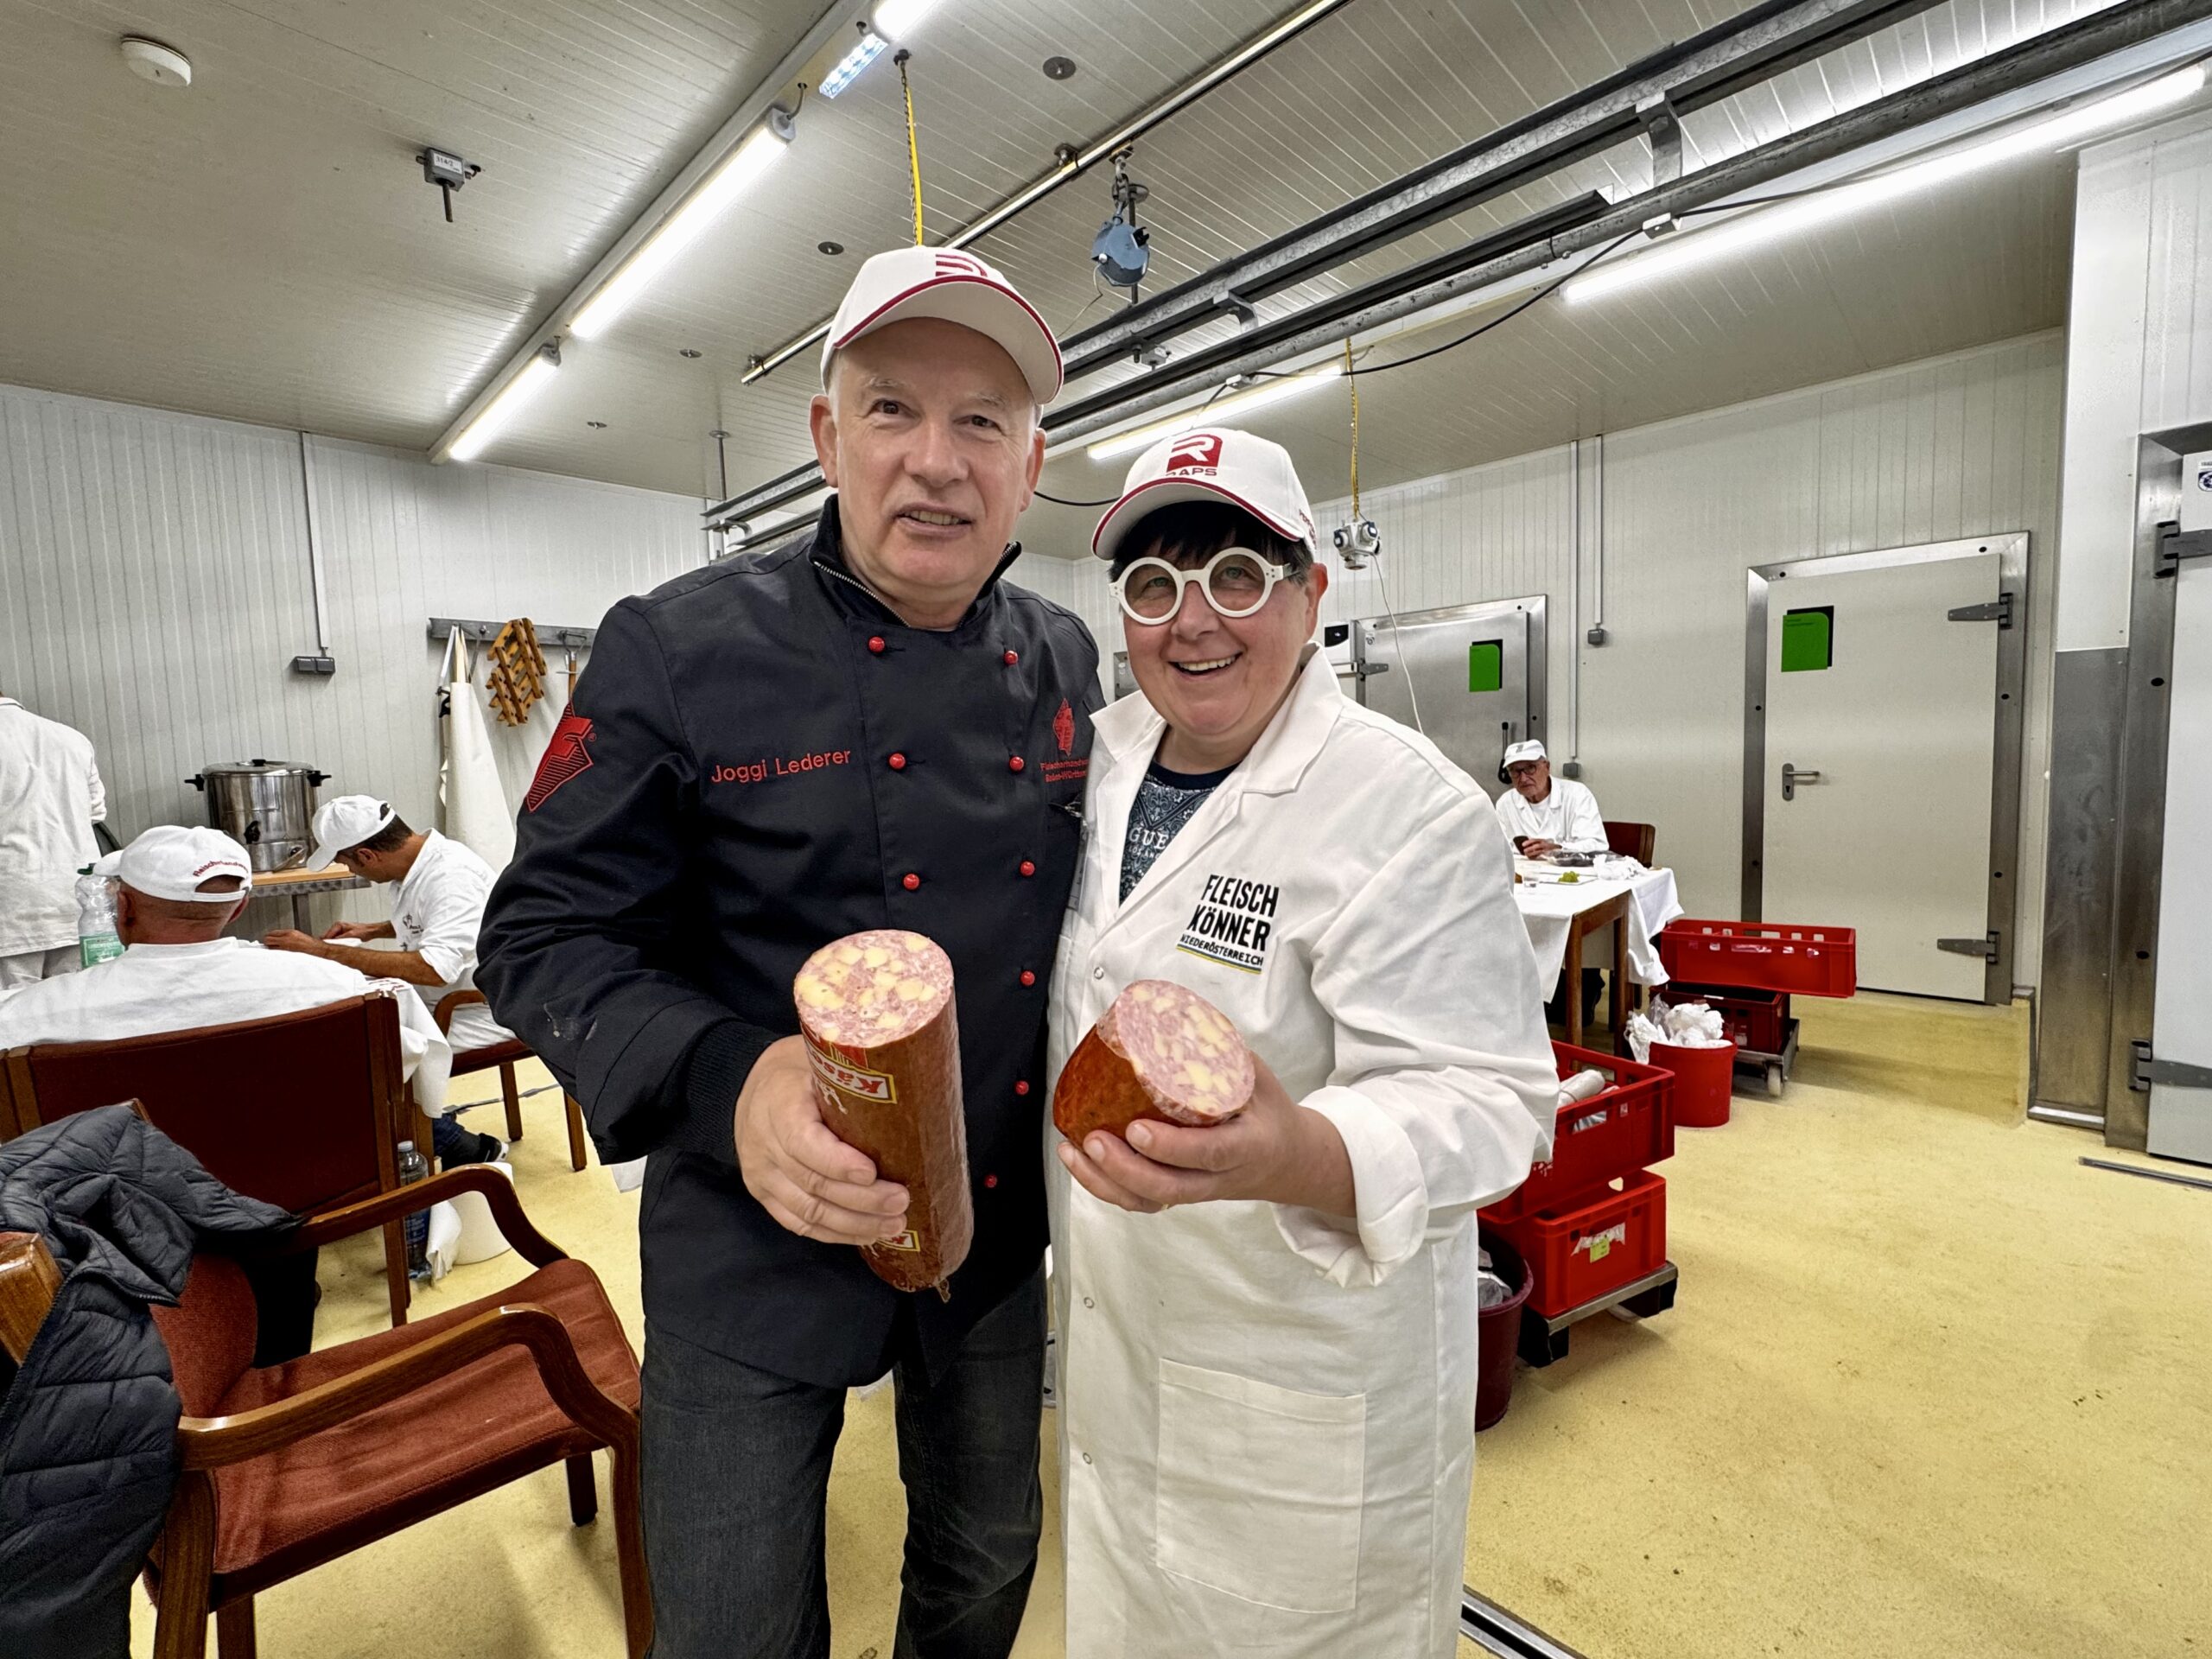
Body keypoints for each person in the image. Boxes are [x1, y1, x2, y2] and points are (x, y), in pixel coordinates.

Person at [475, 245, 1099, 1659]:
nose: (935, 463)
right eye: (891, 410)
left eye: (981, 423)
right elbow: (539, 932)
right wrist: (729, 1084)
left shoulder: (1065, 657)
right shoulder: (679, 651)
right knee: (734, 1623)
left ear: (1030, 464)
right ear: (825, 435)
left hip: (991, 1221)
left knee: (988, 1553)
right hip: (750, 1236)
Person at [1046, 427, 1557, 1658]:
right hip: (1121, 1348)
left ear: (1311, 591)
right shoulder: (1095, 766)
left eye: (1237, 574)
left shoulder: (1402, 805)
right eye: (1153, 587)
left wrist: (1296, 1153)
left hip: (1303, 1367)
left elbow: (1495, 1104)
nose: (1194, 621)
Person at [262, 796, 509, 1166]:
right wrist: (373, 929)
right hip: (438, 1000)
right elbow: (436, 920)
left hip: (473, 1012)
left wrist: (323, 951)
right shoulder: (420, 865)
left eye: (345, 861)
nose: (349, 870)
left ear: (366, 855)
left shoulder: (451, 876)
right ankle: (422, 1125)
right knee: (335, 1032)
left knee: (352, 1057)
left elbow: (434, 969)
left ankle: (459, 1144)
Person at [0, 691, 107, 989]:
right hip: (79, 908)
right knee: (76, 1017)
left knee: (12, 1026)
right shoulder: (70, 738)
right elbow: (95, 812)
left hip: (10, 914)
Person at [1495, 738, 1607, 858]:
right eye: (1515, 771)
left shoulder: (1577, 794)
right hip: (1523, 873)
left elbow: (1597, 845)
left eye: (1530, 768)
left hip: (1570, 874)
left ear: (1547, 767)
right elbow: (1498, 849)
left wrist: (1558, 849)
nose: (1523, 778)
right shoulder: (1506, 803)